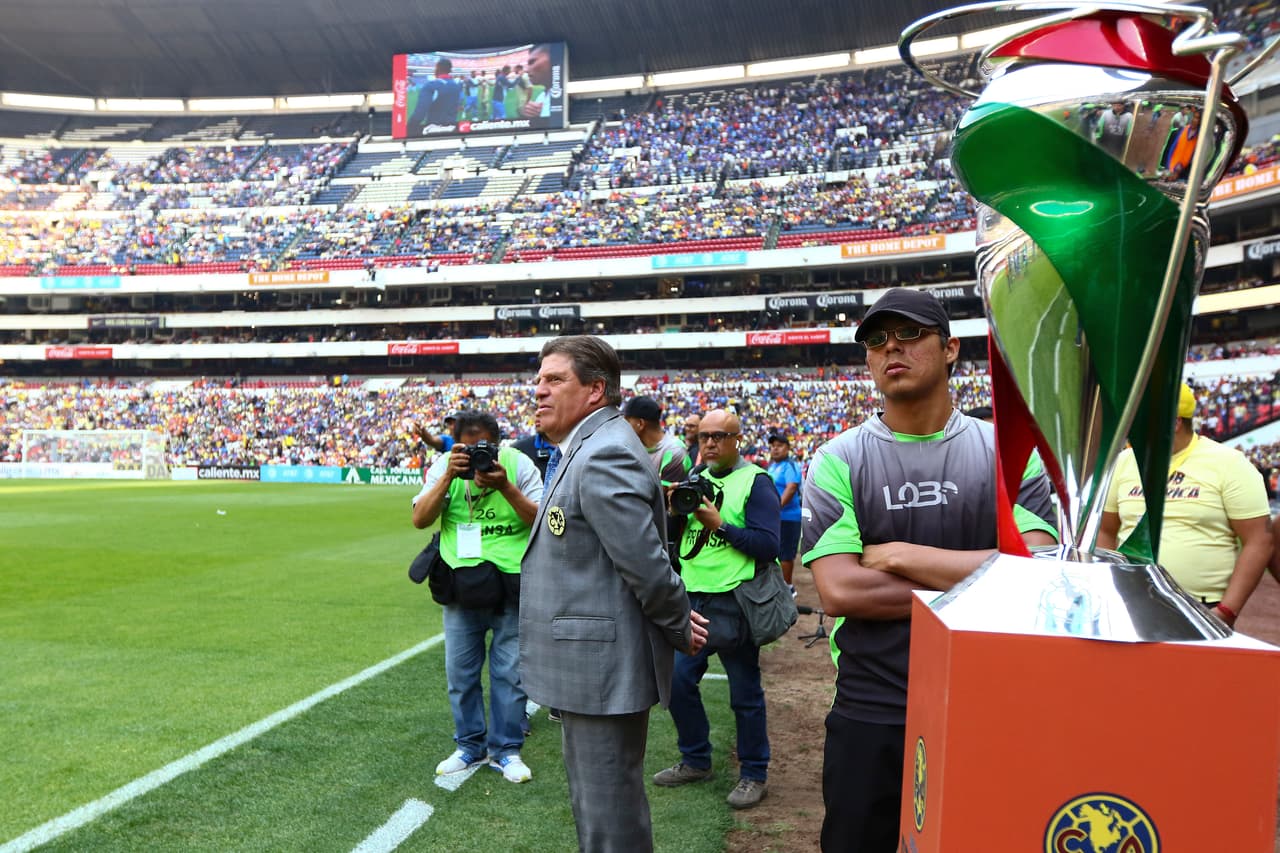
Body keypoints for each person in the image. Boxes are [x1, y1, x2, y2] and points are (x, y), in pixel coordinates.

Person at [800, 288, 1057, 853]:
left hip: (989, 700)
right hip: (871, 702)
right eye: (876, 340)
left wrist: (898, 554)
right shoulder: (837, 458)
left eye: (911, 333)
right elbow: (841, 590)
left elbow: (1041, 576)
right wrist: (993, 573)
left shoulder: (1009, 453)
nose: (891, 347)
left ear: (950, 349)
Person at [520, 335, 708, 853]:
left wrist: (677, 620)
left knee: (609, 819)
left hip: (599, 670)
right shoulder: (591, 446)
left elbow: (646, 565)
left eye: (554, 379)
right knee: (599, 810)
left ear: (595, 390)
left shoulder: (603, 452)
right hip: (591, 668)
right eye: (539, 379)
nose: (539, 390)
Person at [653, 408, 780, 810]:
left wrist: (719, 524)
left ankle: (754, 773)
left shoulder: (756, 481)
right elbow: (677, 540)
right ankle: (696, 759)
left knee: (744, 692)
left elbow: (769, 545)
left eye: (719, 436)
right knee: (677, 681)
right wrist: (674, 511)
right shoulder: (695, 479)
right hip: (693, 597)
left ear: (737, 440)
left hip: (736, 599)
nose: (708, 443)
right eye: (703, 436)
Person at [411, 410, 542, 783]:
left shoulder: (518, 464)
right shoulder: (445, 466)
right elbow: (420, 519)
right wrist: (449, 476)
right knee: (461, 674)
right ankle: (469, 746)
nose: (475, 455)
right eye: (467, 448)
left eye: (484, 447)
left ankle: (507, 750)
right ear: (456, 445)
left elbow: (541, 519)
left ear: (498, 443)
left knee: (509, 674)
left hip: (512, 583)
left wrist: (506, 487)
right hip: (461, 584)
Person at [1099, 383, 1272, 627]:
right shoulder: (1124, 462)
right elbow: (1105, 530)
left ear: (1174, 422)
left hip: (1201, 607)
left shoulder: (1229, 464)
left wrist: (1226, 611)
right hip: (1131, 601)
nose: (1131, 427)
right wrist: (1110, 587)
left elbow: (1259, 540)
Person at [622, 395, 692, 488]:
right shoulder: (633, 447)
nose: (623, 427)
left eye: (627, 422)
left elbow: (659, 493)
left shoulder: (675, 452)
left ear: (640, 424)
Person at [767, 433, 803, 595]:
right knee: (775, 552)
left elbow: (791, 487)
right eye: (773, 446)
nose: (775, 449)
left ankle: (787, 588)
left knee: (786, 554)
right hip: (776, 517)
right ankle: (778, 586)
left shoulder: (790, 466)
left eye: (779, 446)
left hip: (788, 517)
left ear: (788, 448)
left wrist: (776, 507)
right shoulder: (772, 466)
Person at [407, 58, 463, 134]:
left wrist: (410, 128)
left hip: (434, 130)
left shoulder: (431, 86)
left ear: (438, 68)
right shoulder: (456, 86)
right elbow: (458, 106)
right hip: (452, 129)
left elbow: (420, 113)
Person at [519, 45, 554, 120]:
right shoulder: (541, 97)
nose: (526, 70)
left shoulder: (566, 95)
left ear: (554, 59)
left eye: (532, 62)